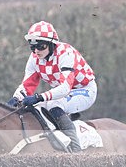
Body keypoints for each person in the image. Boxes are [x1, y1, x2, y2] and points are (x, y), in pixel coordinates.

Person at [7, 21, 97, 152]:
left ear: (51, 43)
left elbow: (65, 87)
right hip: (63, 93)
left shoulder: (65, 54)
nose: (36, 51)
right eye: (33, 47)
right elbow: (27, 85)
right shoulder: (34, 59)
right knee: (37, 109)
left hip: (84, 90)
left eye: (41, 46)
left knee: (54, 105)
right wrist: (15, 98)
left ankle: (76, 151)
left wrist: (38, 97)